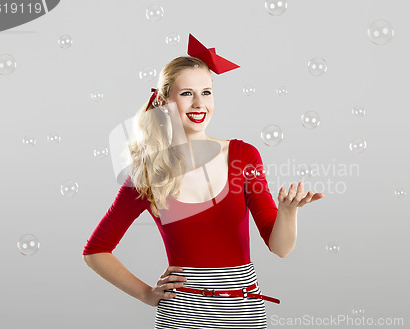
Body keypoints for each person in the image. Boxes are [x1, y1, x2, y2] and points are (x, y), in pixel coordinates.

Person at [82, 34, 324, 329]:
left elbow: (281, 248)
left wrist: (288, 212)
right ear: (163, 100)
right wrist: (147, 294)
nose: (199, 103)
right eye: (186, 94)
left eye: (206, 92)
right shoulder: (149, 173)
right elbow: (96, 250)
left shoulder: (243, 155)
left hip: (243, 314)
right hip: (181, 317)